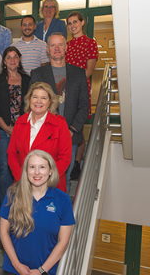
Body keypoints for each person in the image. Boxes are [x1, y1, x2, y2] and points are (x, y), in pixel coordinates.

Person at [0, 150, 75, 275]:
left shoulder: (62, 200)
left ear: (50, 171)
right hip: (15, 272)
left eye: (42, 167)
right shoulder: (13, 194)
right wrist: (17, 265)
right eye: (32, 167)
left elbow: (64, 241)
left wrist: (42, 271)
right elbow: (3, 232)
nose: (37, 172)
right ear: (26, 171)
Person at [30, 32, 89, 194]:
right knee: (40, 179)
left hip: (70, 137)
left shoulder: (79, 73)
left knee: (64, 180)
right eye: (53, 45)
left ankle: (61, 217)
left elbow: (84, 106)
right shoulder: (37, 74)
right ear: (48, 49)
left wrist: (71, 130)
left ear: (66, 47)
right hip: (43, 136)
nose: (57, 48)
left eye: (60, 45)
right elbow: (31, 104)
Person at [7, 82, 71, 192]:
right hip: (23, 185)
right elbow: (12, 154)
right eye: (35, 97)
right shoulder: (20, 122)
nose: (38, 101)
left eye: (43, 98)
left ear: (50, 102)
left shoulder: (60, 124)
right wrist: (21, 177)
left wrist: (47, 179)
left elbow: (65, 158)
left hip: (51, 185)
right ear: (29, 99)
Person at [0, 46, 30, 206]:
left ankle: (22, 203)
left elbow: (32, 106)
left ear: (19, 60)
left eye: (15, 57)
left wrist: (18, 129)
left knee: (23, 166)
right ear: (4, 61)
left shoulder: (28, 80)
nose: (12, 60)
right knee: (4, 168)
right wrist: (6, 128)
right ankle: (6, 205)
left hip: (23, 132)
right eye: (9, 57)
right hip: (3, 131)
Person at [65, 11, 99, 180]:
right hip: (66, 89)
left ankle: (77, 163)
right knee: (69, 123)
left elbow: (89, 70)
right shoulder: (67, 45)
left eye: (75, 22)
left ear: (83, 22)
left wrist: (73, 86)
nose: (72, 26)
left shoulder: (90, 43)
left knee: (78, 127)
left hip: (80, 88)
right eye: (70, 23)